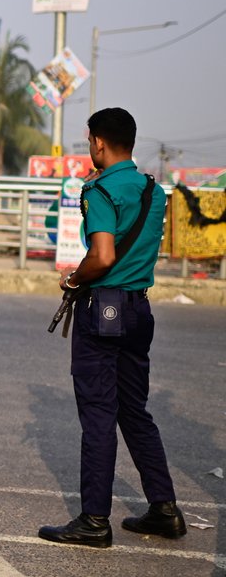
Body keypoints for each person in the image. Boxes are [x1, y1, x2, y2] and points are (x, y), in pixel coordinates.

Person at [38, 107, 183, 548]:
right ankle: (164, 508)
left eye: (89, 142)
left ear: (99, 142)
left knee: (99, 414)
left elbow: (101, 256)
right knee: (135, 410)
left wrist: (73, 278)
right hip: (139, 310)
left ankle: (94, 520)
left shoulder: (100, 190)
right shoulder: (150, 189)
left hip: (104, 309)